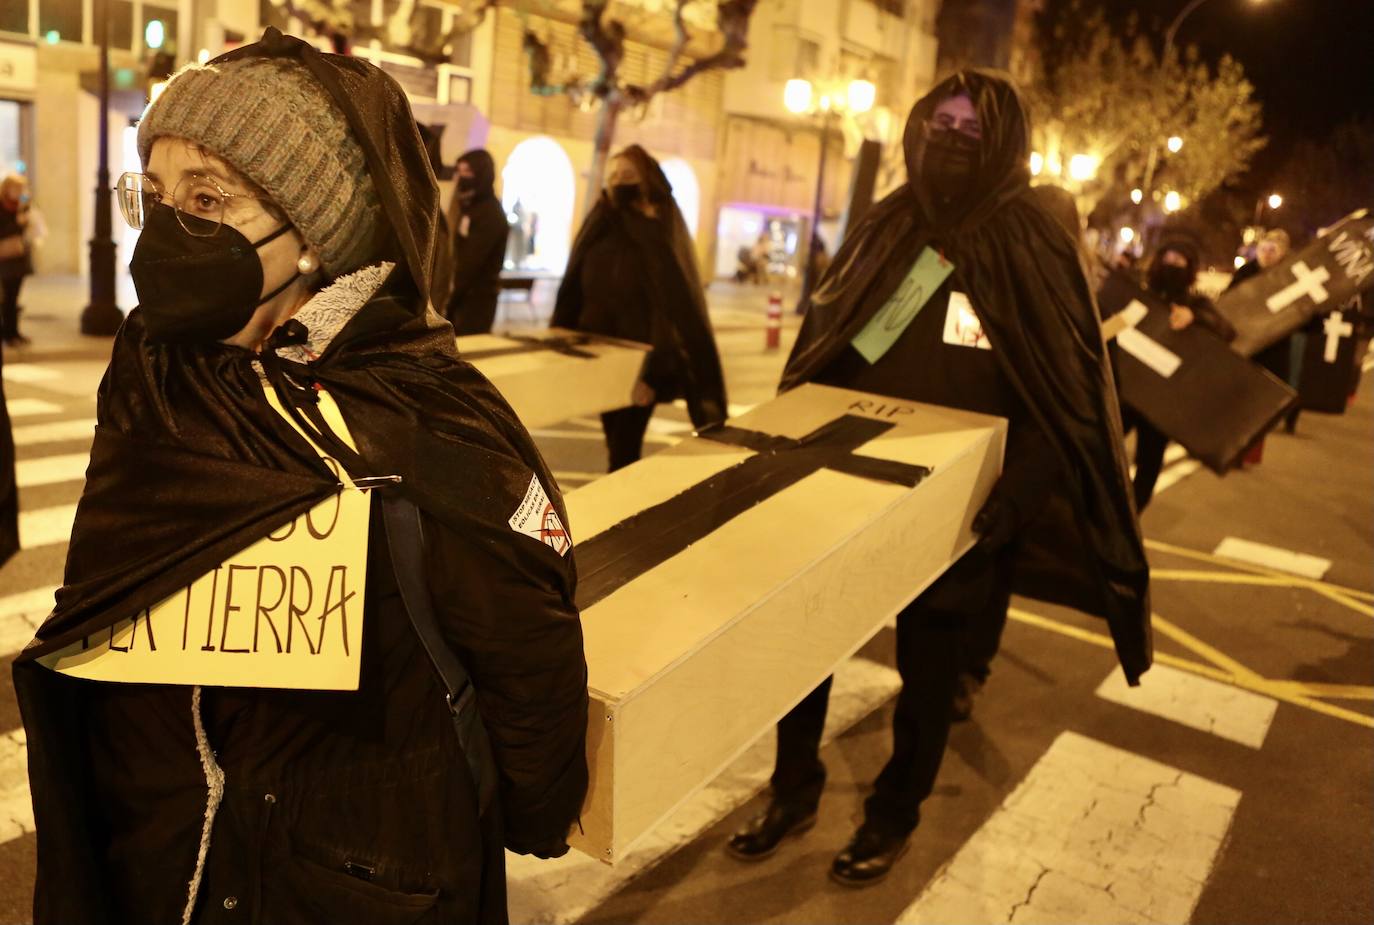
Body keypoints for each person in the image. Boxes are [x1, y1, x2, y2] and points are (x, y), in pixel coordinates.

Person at [14, 30, 588, 924]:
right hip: (159, 854)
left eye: (209, 199)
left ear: (315, 236)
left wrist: (536, 807)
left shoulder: (422, 418)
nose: (169, 228)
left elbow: (524, 643)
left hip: (351, 872)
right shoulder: (150, 372)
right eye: (157, 195)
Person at [725, 70, 1151, 887]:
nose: (952, 139)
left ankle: (893, 813)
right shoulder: (890, 223)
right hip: (849, 482)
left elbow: (1066, 394)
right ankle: (792, 788)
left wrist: (1015, 498)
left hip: (964, 503)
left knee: (928, 671)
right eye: (941, 122)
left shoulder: (1031, 237)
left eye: (972, 128)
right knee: (803, 645)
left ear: (1003, 143)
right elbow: (831, 342)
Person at [552, 144, 727, 471]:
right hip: (601, 356)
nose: (619, 182)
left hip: (641, 364)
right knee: (613, 444)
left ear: (647, 181)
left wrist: (652, 375)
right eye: (614, 176)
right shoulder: (600, 223)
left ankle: (620, 514)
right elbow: (575, 286)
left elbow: (671, 310)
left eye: (628, 175)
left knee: (624, 451)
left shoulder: (656, 233)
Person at [1126, 238, 1236, 509]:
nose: (1172, 265)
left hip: (1161, 401)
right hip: (1126, 390)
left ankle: (1129, 519)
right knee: (1097, 449)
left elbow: (1226, 330)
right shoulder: (1139, 290)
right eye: (1168, 259)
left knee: (1148, 466)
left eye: (1179, 261)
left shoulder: (1195, 303)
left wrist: (1194, 318)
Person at [1229, 229, 1299, 434]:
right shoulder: (1246, 272)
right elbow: (1231, 298)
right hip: (1244, 339)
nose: (1267, 254)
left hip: (1274, 345)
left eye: (1273, 250)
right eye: (1264, 249)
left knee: (1262, 398)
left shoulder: (1289, 276)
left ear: (1283, 253)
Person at [446, 148, 511, 335]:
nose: (461, 177)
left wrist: (450, 298)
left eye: (467, 172)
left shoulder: (490, 214)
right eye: (459, 171)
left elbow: (470, 263)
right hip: (461, 300)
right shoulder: (468, 207)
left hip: (475, 305)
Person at [0, 173, 34, 346]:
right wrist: (18, 223)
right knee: (7, 299)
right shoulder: (2, 207)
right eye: (17, 188)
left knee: (15, 297)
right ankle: (7, 334)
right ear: (7, 189)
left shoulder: (22, 206)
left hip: (18, 258)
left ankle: (15, 332)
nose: (20, 191)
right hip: (5, 259)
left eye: (22, 188)